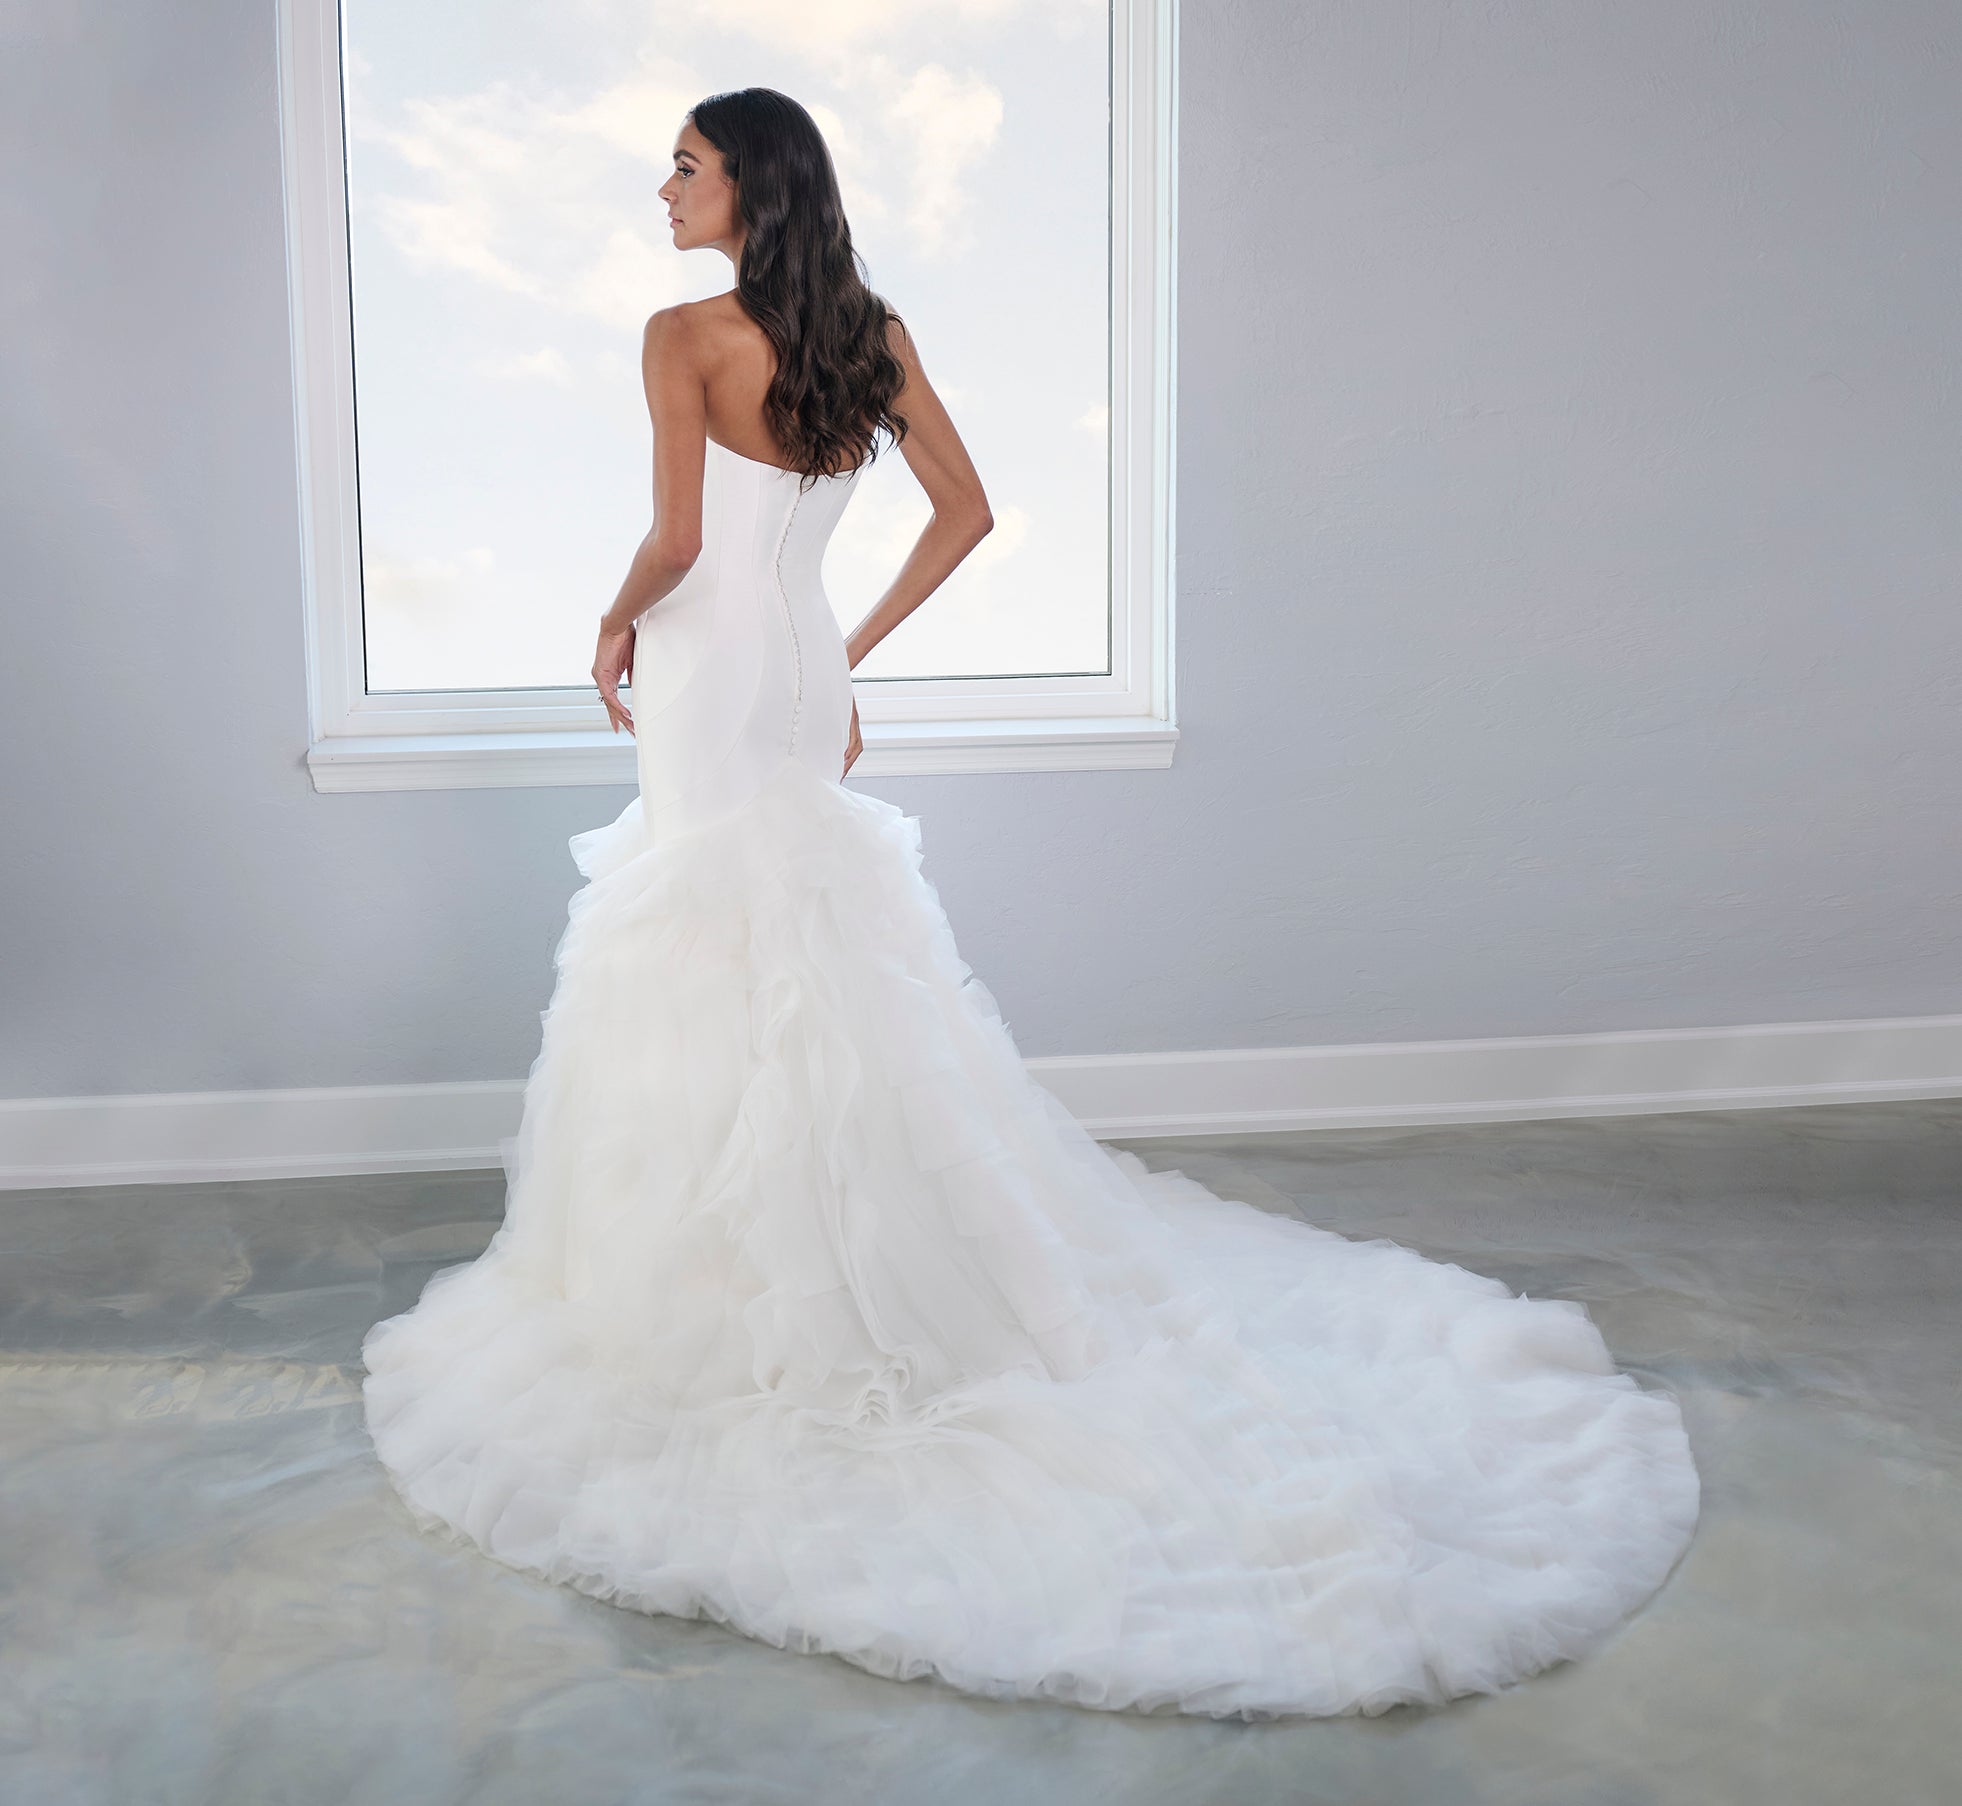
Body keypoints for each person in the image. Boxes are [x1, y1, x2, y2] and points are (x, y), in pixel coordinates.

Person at [360, 87, 1699, 1721]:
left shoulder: (677, 336)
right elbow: (968, 512)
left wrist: (606, 626)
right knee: (810, 958)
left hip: (712, 679)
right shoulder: (871, 330)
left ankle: (722, 1294)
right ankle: (854, 1256)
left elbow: (675, 535)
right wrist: (851, 649)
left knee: (712, 953)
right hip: (796, 677)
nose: (665, 188)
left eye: (689, 167)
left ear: (753, 188)